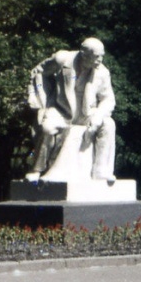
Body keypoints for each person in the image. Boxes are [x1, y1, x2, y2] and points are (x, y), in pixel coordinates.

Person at [26, 37, 116, 182]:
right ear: (83, 54)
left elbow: (108, 99)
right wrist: (42, 100)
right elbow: (38, 73)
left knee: (109, 124)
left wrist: (98, 117)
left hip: (86, 113)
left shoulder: (102, 72)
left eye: (101, 56)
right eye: (96, 56)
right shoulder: (62, 59)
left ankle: (101, 171)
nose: (99, 60)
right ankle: (37, 169)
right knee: (47, 128)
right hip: (61, 109)